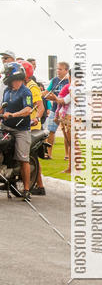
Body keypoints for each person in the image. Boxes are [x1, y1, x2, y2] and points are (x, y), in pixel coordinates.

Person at [1, 62, 33, 200]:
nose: (5, 75)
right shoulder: (7, 91)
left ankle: (26, 189)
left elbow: (28, 109)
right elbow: (3, 108)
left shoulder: (25, 91)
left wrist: (13, 115)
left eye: (7, 72)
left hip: (21, 130)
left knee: (22, 158)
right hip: (5, 126)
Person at [21, 61, 46, 195]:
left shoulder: (32, 87)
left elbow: (40, 106)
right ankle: (39, 185)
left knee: (30, 156)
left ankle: (40, 186)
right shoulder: (21, 86)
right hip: (23, 124)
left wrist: (35, 118)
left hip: (32, 126)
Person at [42, 61, 69, 158]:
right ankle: (49, 154)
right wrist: (54, 98)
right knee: (50, 131)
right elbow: (46, 93)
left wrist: (55, 98)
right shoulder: (54, 80)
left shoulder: (69, 81)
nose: (58, 71)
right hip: (54, 109)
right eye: (57, 69)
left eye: (60, 69)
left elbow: (69, 98)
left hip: (66, 111)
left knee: (66, 133)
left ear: (66, 70)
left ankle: (67, 155)